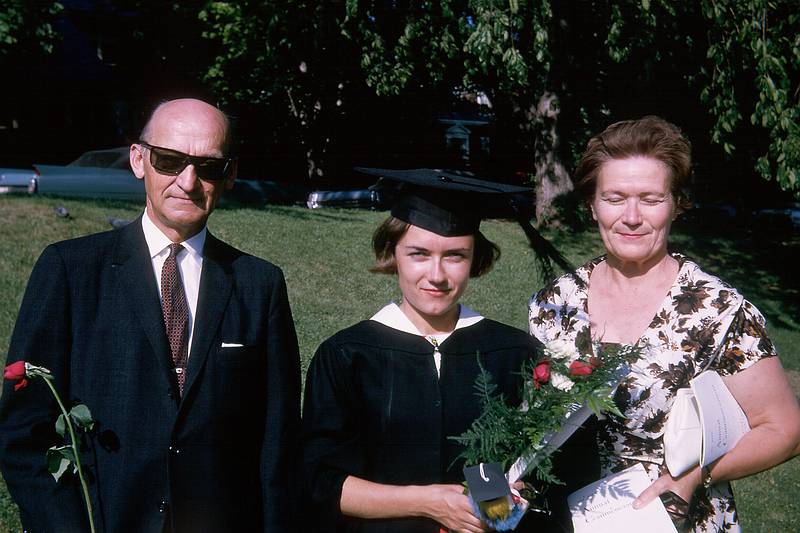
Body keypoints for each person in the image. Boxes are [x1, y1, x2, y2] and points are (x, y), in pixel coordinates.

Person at [0, 98, 301, 532]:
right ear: (139, 160)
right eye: (170, 161)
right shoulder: (71, 270)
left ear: (231, 174)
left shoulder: (259, 285)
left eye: (208, 166)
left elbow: (278, 444)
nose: (188, 181)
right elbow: (22, 431)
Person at [528, 115, 800, 531]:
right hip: (571, 519)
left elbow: (784, 429)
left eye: (651, 199)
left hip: (679, 521)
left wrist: (693, 477)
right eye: (615, 198)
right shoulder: (553, 304)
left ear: (676, 203)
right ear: (591, 204)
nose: (632, 216)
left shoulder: (719, 311)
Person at [300, 169, 584, 533]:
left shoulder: (512, 352)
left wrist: (493, 512)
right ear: (393, 254)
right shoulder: (348, 355)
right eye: (418, 253)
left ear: (475, 260)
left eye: (454, 256)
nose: (436, 274)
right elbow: (322, 484)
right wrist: (431, 503)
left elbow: (525, 469)